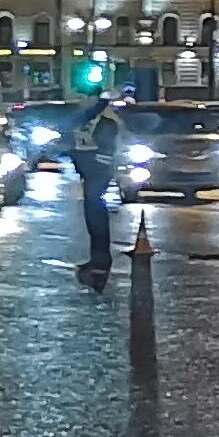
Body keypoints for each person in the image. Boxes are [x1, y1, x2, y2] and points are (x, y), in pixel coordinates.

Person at [67, 95, 129, 290]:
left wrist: (87, 162)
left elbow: (105, 153)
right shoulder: (89, 118)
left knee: (96, 215)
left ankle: (101, 259)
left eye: (85, 99)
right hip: (92, 171)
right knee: (93, 214)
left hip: (98, 172)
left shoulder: (106, 122)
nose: (81, 103)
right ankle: (98, 257)